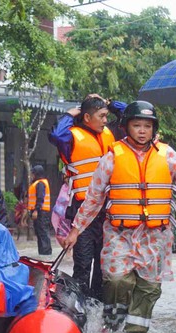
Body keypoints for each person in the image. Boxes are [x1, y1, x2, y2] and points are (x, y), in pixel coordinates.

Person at [63, 101, 176, 333]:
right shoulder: (112, 157)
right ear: (126, 127)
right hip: (120, 235)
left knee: (148, 289)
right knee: (116, 281)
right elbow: (93, 199)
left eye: (147, 126)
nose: (142, 131)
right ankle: (111, 326)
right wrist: (75, 231)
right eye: (137, 125)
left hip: (155, 238)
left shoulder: (168, 155)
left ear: (154, 129)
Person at [49, 94, 126, 300]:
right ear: (86, 118)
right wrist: (70, 112)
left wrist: (110, 104)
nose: (105, 120)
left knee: (103, 265)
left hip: (108, 210)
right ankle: (80, 310)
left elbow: (130, 116)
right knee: (83, 264)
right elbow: (55, 135)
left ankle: (98, 309)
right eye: (101, 116)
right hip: (82, 210)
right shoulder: (71, 137)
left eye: (106, 116)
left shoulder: (110, 133)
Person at [27, 165, 52, 256]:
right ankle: (43, 252)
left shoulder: (40, 184)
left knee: (43, 233)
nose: (32, 175)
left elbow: (40, 198)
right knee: (41, 233)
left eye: (33, 173)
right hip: (40, 212)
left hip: (41, 212)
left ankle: (45, 254)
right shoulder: (38, 183)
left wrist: (36, 210)